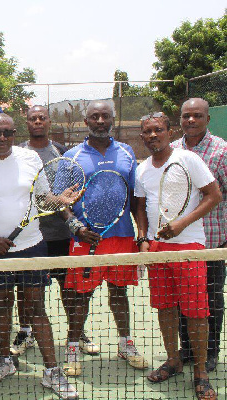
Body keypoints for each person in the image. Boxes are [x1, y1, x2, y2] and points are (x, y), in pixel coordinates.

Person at [0, 113, 79, 399]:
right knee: (2, 306)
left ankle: (53, 371)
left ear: (15, 133)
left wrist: (61, 200)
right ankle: (5, 360)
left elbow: (42, 198)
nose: (2, 138)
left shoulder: (31, 159)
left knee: (35, 309)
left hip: (32, 246)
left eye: (7, 133)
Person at [135, 111, 221, 400]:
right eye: (147, 132)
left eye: (158, 130)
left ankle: (200, 372)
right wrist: (144, 238)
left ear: (169, 132)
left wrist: (182, 223)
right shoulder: (143, 169)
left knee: (196, 313)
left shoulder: (188, 159)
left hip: (189, 248)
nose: (153, 136)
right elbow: (141, 207)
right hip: (158, 250)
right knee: (165, 308)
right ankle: (173, 360)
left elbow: (214, 195)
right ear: (142, 136)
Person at [61, 100, 148, 377]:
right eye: (94, 116)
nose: (100, 120)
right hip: (86, 239)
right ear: (86, 121)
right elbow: (60, 199)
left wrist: (141, 233)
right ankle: (73, 347)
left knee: (119, 293)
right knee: (80, 296)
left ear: (112, 120)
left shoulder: (127, 152)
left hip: (121, 236)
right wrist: (75, 226)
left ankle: (126, 344)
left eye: (105, 116)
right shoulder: (72, 156)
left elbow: (135, 198)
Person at [14, 106, 100, 357]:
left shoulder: (62, 153)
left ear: (49, 122)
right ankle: (25, 331)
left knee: (69, 287)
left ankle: (77, 332)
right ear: (27, 123)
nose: (38, 121)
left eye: (42, 118)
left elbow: (69, 192)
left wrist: (71, 221)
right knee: (27, 288)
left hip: (61, 234)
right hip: (31, 235)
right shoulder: (19, 153)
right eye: (33, 118)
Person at [172, 98, 227, 373]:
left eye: (196, 115)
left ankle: (211, 351)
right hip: (180, 245)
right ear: (180, 119)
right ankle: (188, 350)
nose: (190, 120)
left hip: (213, 243)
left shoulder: (222, 151)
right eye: (186, 116)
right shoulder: (171, 151)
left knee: (212, 300)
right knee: (184, 300)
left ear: (207, 118)